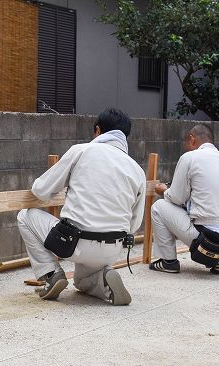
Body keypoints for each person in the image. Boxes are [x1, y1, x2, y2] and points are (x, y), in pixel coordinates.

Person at [17, 108, 146, 305]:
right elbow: (135, 223)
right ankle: (104, 280)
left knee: (25, 216)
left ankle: (51, 274)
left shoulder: (82, 151)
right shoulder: (137, 170)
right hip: (114, 248)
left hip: (72, 243)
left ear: (97, 130)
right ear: (125, 137)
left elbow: (42, 191)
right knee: (81, 280)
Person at [149, 124, 219, 274]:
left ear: (191, 139)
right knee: (200, 213)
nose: (187, 147)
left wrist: (164, 190)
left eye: (187, 144)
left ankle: (168, 261)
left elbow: (176, 198)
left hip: (207, 236)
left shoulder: (189, 157)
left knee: (159, 206)